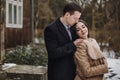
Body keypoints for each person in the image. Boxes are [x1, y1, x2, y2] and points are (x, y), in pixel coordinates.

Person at [44, 2, 82, 80]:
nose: (77, 21)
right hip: (59, 75)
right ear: (67, 15)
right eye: (75, 18)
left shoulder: (74, 27)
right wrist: (73, 45)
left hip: (74, 74)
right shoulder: (51, 29)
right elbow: (53, 53)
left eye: (78, 18)